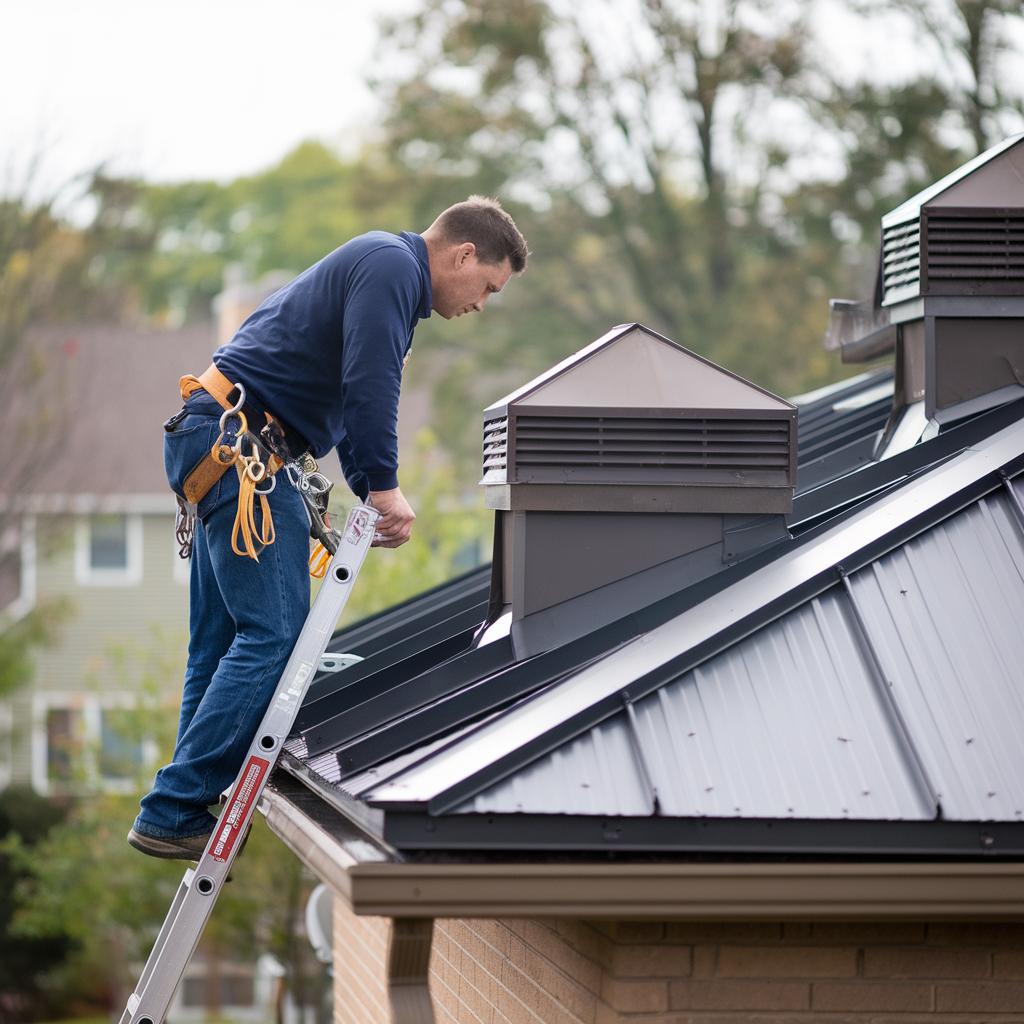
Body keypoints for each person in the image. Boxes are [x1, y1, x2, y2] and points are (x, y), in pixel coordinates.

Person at [128, 196, 529, 859]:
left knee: (223, 640)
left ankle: (180, 806)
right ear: (462, 254)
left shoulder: (378, 266)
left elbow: (337, 387)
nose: (481, 304)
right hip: (240, 449)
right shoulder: (392, 267)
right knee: (276, 635)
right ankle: (175, 806)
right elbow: (370, 382)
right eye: (487, 286)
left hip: (226, 441)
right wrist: (384, 485)